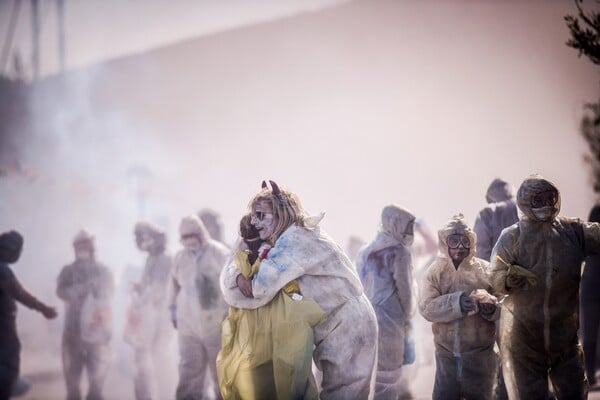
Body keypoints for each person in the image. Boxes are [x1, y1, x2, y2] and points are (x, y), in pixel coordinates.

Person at [220, 180, 379, 399]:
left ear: (281, 213)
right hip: (339, 326)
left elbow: (257, 289)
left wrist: (238, 265)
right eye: (253, 216)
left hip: (349, 327)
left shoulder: (294, 243)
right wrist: (238, 273)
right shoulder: (296, 235)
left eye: (261, 215)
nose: (255, 223)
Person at [489, 174, 600, 399]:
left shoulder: (572, 231)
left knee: (575, 392)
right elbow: (495, 275)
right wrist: (507, 280)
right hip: (525, 338)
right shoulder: (512, 237)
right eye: (539, 200)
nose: (547, 205)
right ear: (524, 202)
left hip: (565, 337)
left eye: (551, 198)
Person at [217, 214, 324, 399]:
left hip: (275, 323)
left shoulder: (278, 250)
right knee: (267, 378)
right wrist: (239, 277)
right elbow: (229, 277)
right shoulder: (240, 258)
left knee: (279, 376)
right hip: (259, 326)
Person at [419, 214, 499, 400]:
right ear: (443, 242)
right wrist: (456, 302)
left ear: (472, 242)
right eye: (454, 241)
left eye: (465, 241)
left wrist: (491, 308)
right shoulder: (435, 271)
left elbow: (503, 301)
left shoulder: (485, 270)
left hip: (481, 355)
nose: (461, 246)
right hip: (446, 354)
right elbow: (426, 307)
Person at [356, 204, 415, 400]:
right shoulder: (400, 252)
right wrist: (407, 317)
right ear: (395, 223)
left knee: (368, 375)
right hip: (391, 322)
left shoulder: (365, 250)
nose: (410, 231)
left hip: (365, 320)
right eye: (407, 226)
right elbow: (405, 292)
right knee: (389, 380)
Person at [168, 215, 229, 400]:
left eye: (192, 235)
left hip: (216, 326)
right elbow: (172, 287)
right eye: (184, 236)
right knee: (189, 373)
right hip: (188, 327)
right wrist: (172, 311)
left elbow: (231, 286)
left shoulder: (219, 253)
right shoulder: (179, 257)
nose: (189, 240)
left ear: (201, 233)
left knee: (222, 374)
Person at [472, 178, 519, 400]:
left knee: (504, 350)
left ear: (490, 194)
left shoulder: (486, 214)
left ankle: (504, 394)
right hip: (531, 292)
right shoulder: (527, 209)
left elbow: (479, 259)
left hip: (499, 292)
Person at [56, 229, 115, 400]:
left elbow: (110, 292)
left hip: (97, 333)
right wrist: (78, 291)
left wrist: (97, 290)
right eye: (78, 245)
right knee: (73, 385)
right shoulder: (68, 271)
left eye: (85, 244)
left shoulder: (103, 270)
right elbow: (60, 291)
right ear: (74, 248)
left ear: (92, 247)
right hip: (72, 334)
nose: (82, 248)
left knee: (96, 385)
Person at [0, 230, 58, 400]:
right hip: (3, 329)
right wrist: (43, 308)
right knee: (7, 363)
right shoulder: (2, 271)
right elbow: (20, 294)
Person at [125, 222, 173, 400]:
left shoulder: (164, 258)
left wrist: (141, 299)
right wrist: (140, 289)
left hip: (159, 321)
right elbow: (149, 286)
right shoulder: (150, 258)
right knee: (141, 364)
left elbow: (159, 289)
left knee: (158, 364)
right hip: (147, 320)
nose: (138, 242)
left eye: (140, 237)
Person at [473, 178, 519, 262]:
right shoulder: (526, 209)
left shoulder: (487, 213)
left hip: (497, 271)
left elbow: (481, 252)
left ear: (490, 196)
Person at [582, 204, 600, 388]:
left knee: (590, 331)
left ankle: (591, 374)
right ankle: (590, 374)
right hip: (593, 281)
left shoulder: (595, 210)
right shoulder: (596, 210)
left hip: (590, 280)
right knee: (590, 331)